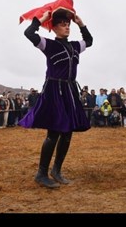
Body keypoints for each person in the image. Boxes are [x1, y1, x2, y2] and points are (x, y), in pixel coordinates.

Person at [18, 9, 93, 188]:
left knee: (67, 134)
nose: (67, 27)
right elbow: (28, 33)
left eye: (68, 24)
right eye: (62, 24)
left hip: (70, 90)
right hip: (54, 89)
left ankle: (56, 170)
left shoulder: (75, 46)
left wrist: (81, 23)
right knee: (54, 133)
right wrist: (42, 19)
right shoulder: (49, 45)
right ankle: (41, 174)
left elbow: (89, 41)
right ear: (54, 28)